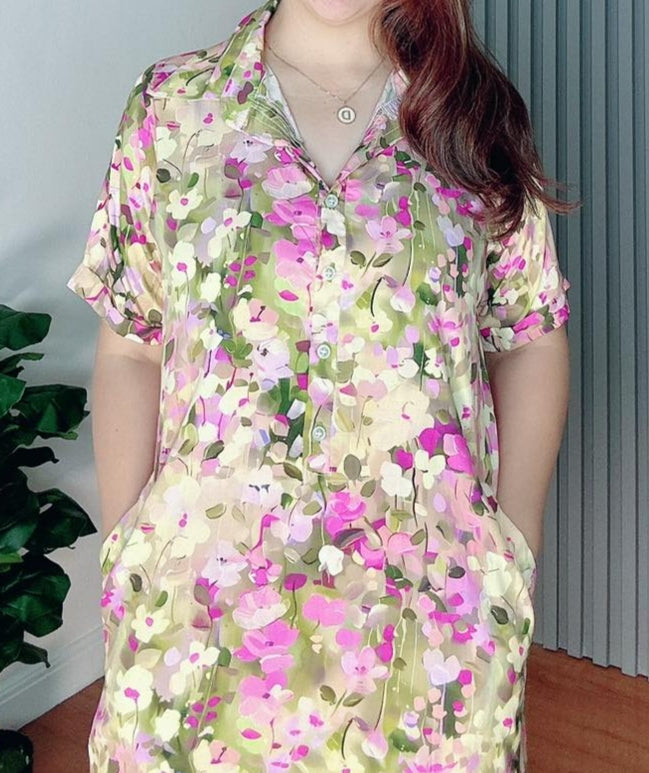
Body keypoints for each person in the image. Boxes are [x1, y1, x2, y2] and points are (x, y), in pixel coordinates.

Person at [65, 0, 575, 770]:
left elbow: (529, 330)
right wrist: (130, 540)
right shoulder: (170, 107)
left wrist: (512, 546)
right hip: (197, 618)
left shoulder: (472, 114)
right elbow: (133, 342)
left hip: (434, 625)